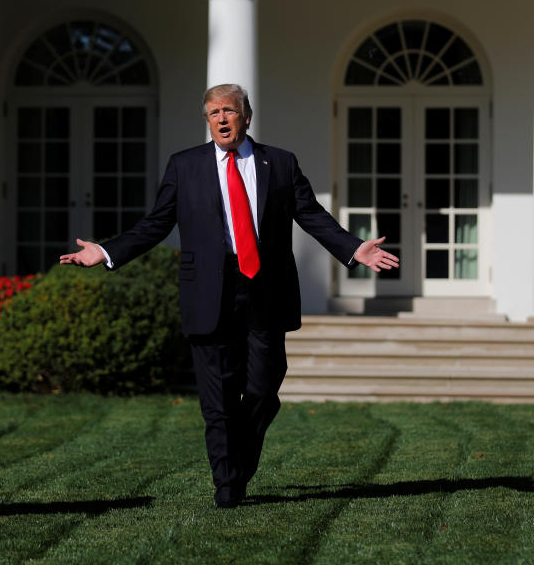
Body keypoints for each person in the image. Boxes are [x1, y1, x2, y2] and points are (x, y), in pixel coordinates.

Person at [59, 83, 398, 508]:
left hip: (265, 289)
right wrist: (107, 250)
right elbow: (156, 223)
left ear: (246, 116)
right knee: (217, 398)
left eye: (229, 111)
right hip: (208, 291)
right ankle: (228, 484)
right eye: (213, 112)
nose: (221, 118)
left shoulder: (281, 163)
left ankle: (235, 460)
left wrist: (353, 247)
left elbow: (311, 215)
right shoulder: (185, 166)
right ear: (207, 120)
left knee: (262, 387)